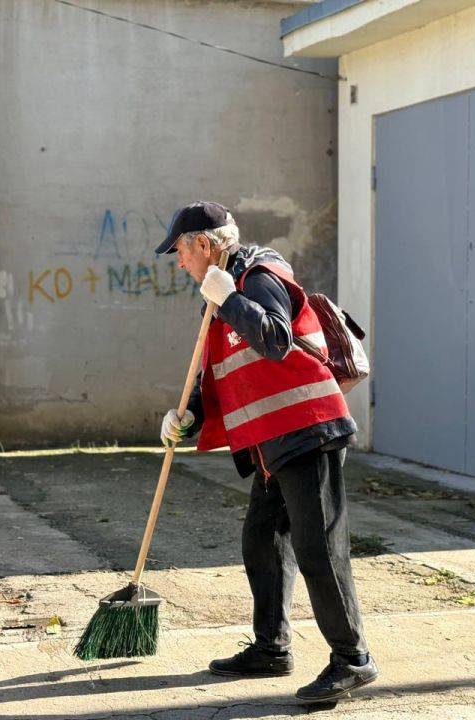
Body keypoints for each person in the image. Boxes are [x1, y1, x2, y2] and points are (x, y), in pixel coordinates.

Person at [155, 201, 378, 702]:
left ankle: (353, 659)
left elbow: (275, 338)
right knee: (262, 540)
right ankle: (272, 648)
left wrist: (230, 297)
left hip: (308, 430)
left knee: (318, 549)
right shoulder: (222, 293)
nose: (179, 262)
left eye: (180, 252)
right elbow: (221, 370)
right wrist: (188, 414)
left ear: (204, 244)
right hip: (272, 442)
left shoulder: (258, 276)